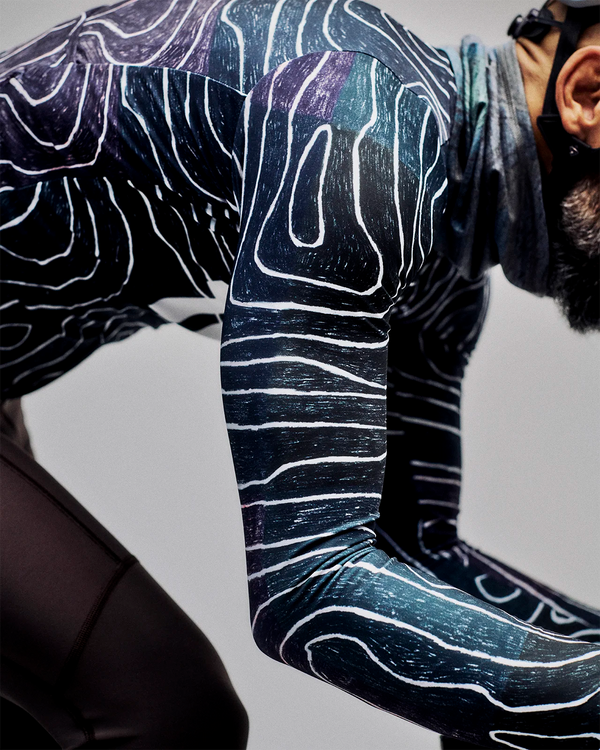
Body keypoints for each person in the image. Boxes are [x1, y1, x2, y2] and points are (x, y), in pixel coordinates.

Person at [1, 0, 600, 747]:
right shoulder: (363, 138)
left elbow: (415, 551)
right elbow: (308, 586)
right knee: (164, 712)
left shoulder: (442, 273)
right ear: (587, 93)